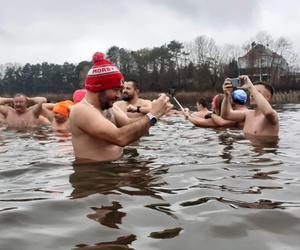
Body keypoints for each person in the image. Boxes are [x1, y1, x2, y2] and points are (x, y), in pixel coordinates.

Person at [69, 52, 172, 162]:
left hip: (117, 166)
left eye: (120, 90)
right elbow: (120, 138)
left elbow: (129, 123)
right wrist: (153, 115)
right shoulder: (81, 110)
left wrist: (158, 112)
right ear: (99, 88)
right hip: (96, 174)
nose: (119, 95)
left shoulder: (109, 107)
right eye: (115, 90)